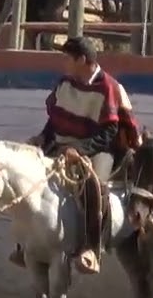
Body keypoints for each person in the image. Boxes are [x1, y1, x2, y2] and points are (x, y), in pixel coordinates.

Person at [10, 36, 136, 274]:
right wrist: (43, 137)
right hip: (62, 145)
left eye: (68, 58)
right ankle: (24, 244)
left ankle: (91, 248)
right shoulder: (65, 83)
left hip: (98, 149)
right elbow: (56, 119)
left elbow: (109, 132)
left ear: (82, 60)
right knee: (28, 171)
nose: (64, 63)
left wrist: (80, 150)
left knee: (93, 186)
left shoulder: (109, 87)